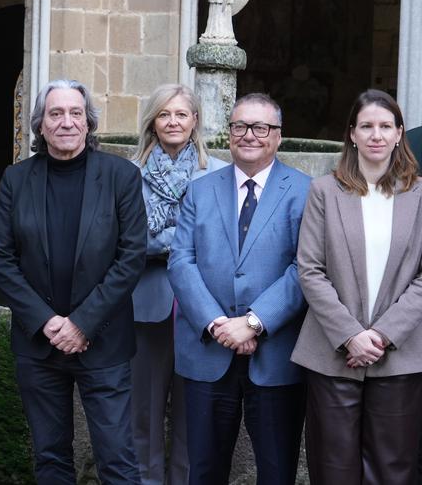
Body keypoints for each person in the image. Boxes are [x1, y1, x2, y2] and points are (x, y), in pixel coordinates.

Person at [0, 79, 147, 484]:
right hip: (38, 345)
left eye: (76, 113)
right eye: (56, 114)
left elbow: (130, 258)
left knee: (117, 459)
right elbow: (3, 260)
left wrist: (81, 323)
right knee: (51, 458)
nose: (67, 122)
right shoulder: (16, 179)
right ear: (40, 125)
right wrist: (46, 321)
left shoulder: (121, 176)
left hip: (103, 342)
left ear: (89, 123)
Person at [167, 93, 311, 485]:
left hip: (277, 355)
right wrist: (218, 324)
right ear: (228, 133)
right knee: (205, 470)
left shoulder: (306, 191)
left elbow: (307, 268)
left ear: (278, 136)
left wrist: (254, 322)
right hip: (208, 352)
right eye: (239, 126)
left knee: (277, 471)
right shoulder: (200, 190)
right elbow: (181, 261)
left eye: (261, 127)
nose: (249, 135)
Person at [291, 89, 422, 484]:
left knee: (392, 469)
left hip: (399, 354)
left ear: (400, 134)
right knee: (333, 470)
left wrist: (382, 334)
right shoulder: (324, 192)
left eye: (385, 126)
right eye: (367, 126)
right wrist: (351, 335)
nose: (376, 135)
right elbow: (309, 269)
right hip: (333, 353)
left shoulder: (419, 194)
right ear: (352, 134)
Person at [130, 84, 227, 485]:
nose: (173, 122)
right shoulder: (130, 173)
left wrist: (170, 241)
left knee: (194, 414)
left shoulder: (218, 172)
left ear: (195, 121)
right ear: (153, 121)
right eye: (164, 114)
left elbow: (220, 241)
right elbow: (131, 239)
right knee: (143, 412)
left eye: (181, 114)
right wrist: (186, 240)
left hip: (201, 308)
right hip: (147, 303)